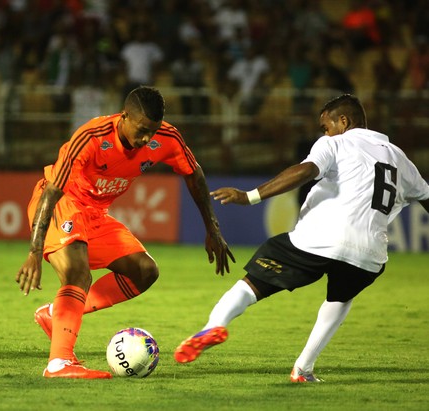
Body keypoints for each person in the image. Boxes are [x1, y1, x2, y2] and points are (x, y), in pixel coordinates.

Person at [174, 94, 429, 382]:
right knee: (341, 297)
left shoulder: (336, 143)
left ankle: (213, 326)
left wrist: (250, 196)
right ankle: (303, 368)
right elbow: (426, 195)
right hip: (370, 254)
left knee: (254, 282)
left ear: (343, 121)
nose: (325, 133)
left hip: (320, 239)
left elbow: (307, 170)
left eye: (326, 126)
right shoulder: (399, 158)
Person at [16, 86, 235, 379]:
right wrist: (34, 250)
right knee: (77, 273)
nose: (146, 139)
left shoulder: (167, 137)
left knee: (145, 271)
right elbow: (52, 192)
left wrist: (212, 228)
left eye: (152, 132)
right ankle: (59, 363)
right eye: (142, 130)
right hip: (62, 203)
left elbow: (194, 175)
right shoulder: (92, 137)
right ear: (124, 117)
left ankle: (56, 313)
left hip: (96, 213)